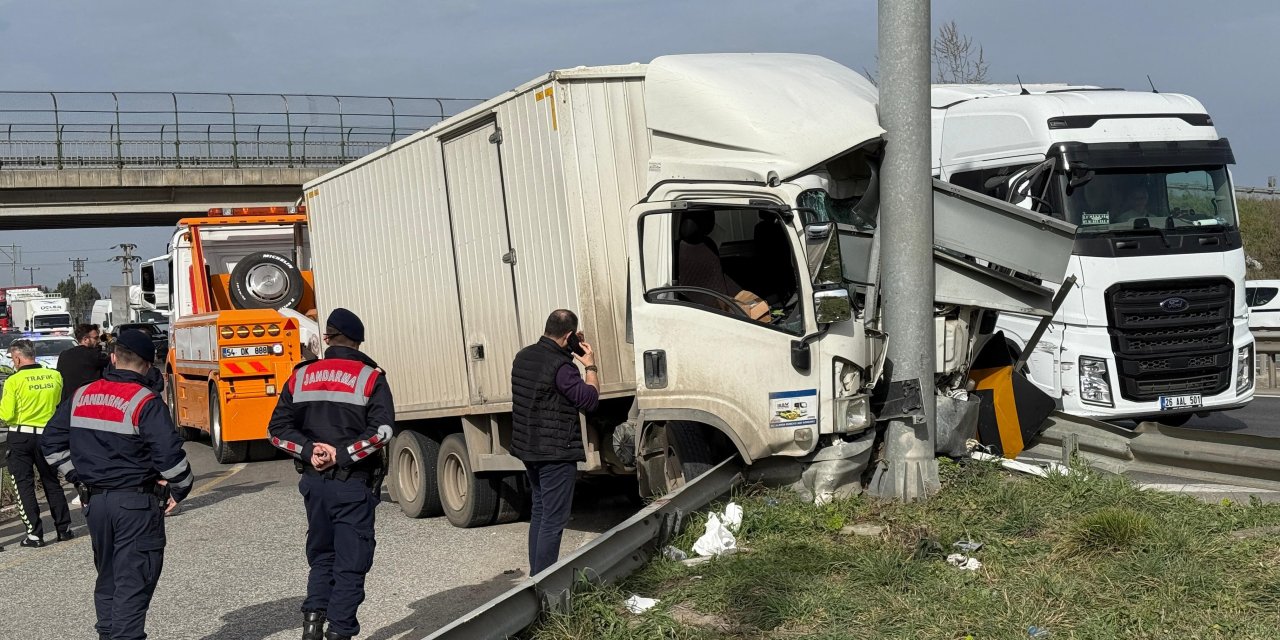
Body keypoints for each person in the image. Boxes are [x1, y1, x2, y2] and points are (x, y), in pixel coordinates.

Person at [41, 330, 193, 640]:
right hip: (135, 505)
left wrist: (78, 477)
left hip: (96, 505)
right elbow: (171, 459)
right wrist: (180, 488)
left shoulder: (82, 394)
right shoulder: (145, 401)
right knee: (134, 583)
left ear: (113, 357)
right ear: (149, 366)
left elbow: (52, 444)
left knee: (108, 580)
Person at [267, 308, 394, 640]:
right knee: (351, 563)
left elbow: (276, 430)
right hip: (352, 483)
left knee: (322, 556)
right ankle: (340, 632)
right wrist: (342, 454)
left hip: (314, 484)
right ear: (358, 340)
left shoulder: (301, 375)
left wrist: (311, 451)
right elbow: (381, 433)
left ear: (326, 338)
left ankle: (312, 625)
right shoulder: (370, 377)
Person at [510, 309, 600, 576]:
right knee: (553, 520)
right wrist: (591, 366)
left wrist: (567, 350)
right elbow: (590, 400)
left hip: (530, 449)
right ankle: (545, 584)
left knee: (540, 512)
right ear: (570, 336)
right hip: (556, 452)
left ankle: (536, 578)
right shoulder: (562, 367)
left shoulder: (523, 356)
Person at [1, 339, 72, 549]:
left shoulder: (14, 380)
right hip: (49, 436)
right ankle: (64, 529)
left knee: (24, 485)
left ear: (17, 357)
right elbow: (59, 403)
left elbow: (6, 414)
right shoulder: (55, 376)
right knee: (52, 481)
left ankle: (34, 535)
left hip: (21, 436)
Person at [57, 323, 110, 403]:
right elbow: (115, 359)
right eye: (95, 338)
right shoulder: (94, 355)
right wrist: (111, 340)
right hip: (90, 402)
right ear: (85, 339)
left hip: (68, 403)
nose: (98, 341)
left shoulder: (64, 355)